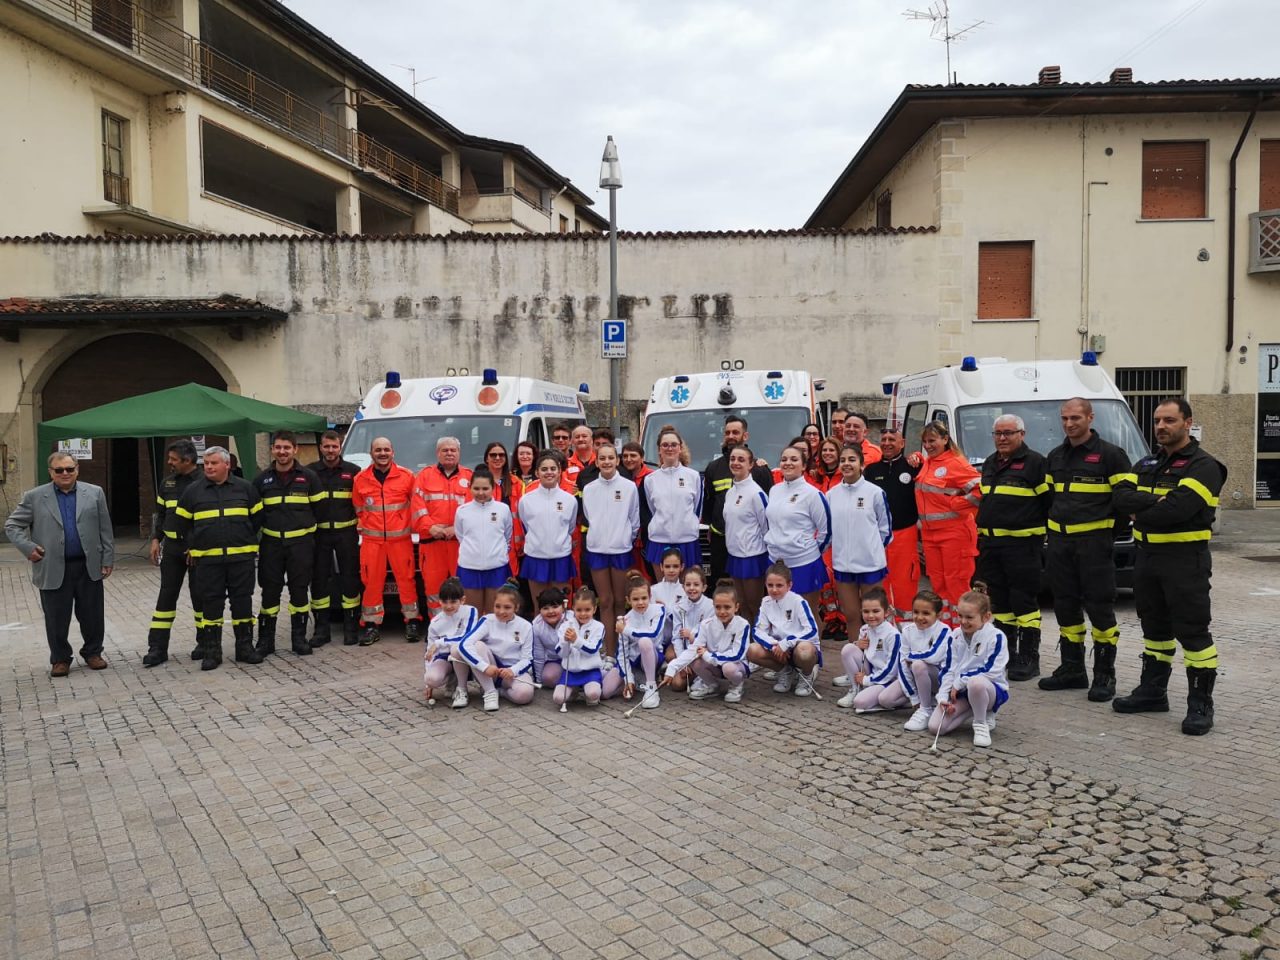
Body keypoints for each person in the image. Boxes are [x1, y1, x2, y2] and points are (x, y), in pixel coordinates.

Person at [1112, 398, 1227, 735]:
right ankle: (1153, 692)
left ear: (1187, 423)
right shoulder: (1147, 462)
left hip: (1184, 561)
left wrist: (1141, 509)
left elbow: (1177, 510)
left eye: (1169, 420)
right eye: (1157, 421)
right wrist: (1154, 502)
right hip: (1147, 558)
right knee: (1155, 628)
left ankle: (1200, 705)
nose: (1161, 427)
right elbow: (1119, 498)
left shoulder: (1204, 465)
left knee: (1193, 631)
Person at [1040, 398, 1133, 700]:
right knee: (1065, 606)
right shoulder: (1055, 456)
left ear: (1090, 418)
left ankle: (1105, 675)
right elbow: (1049, 500)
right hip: (1060, 546)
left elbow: (1124, 502)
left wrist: (1104, 534)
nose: (1069, 424)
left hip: (1094, 547)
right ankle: (1073, 669)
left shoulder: (1111, 455)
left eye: (1076, 418)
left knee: (1099, 608)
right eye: (1065, 418)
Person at [6, 452, 114, 678]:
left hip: (88, 565)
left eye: (69, 469)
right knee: (56, 617)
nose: (65, 473)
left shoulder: (94, 493)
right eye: (59, 470)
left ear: (77, 469)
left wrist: (107, 559)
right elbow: (12, 526)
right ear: (51, 472)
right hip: (52, 567)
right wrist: (28, 548)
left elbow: (105, 528)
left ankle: (93, 652)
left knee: (92, 614)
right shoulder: (34, 497)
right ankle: (60, 658)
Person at [169, 446, 261, 670]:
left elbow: (258, 519)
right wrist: (195, 545)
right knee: (211, 606)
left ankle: (245, 648)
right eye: (206, 463)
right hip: (208, 562)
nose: (208, 467)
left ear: (227, 465)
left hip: (241, 560)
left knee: (242, 603)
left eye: (213, 463)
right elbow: (182, 524)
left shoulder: (245, 488)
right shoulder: (193, 491)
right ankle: (212, 652)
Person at [974, 414, 1050, 681]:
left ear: (1022, 434)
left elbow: (1049, 503)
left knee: (1023, 601)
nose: (1002, 438)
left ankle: (1029, 658)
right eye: (998, 433)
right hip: (991, 545)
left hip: (1022, 546)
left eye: (1008, 433)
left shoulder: (1036, 463)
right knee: (1000, 602)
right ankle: (1007, 656)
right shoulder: (990, 463)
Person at [251, 431, 322, 657]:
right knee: (269, 592)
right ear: (272, 449)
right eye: (278, 447)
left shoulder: (309, 478)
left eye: (287, 447)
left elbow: (319, 511)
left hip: (301, 545)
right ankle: (265, 641)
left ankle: (299, 639)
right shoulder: (261, 480)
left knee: (299, 591)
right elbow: (254, 515)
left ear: (295, 449)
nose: (282, 452)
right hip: (271, 545)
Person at [353, 437, 422, 646]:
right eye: (378, 450)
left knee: (406, 581)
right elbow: (359, 508)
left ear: (393, 452)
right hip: (372, 542)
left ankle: (412, 621)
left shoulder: (407, 476)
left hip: (400, 541)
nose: (382, 453)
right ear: (371, 453)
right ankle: (371, 624)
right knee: (371, 582)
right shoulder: (360, 479)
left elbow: (416, 505)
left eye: (386, 450)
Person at [915, 421, 980, 628]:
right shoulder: (929, 462)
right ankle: (947, 628)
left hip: (955, 534)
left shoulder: (956, 463)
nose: (928, 445)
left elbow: (981, 490)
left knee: (956, 584)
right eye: (925, 441)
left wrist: (957, 504)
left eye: (932, 440)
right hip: (931, 535)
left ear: (945, 439)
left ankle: (965, 630)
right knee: (938, 584)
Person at [928, 585, 1009, 748]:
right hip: (962, 691)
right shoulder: (955, 636)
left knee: (976, 683)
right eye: (960, 616)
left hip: (990, 689)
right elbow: (948, 668)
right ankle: (976, 707)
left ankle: (981, 722)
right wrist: (943, 697)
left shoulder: (997, 637)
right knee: (936, 727)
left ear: (986, 617)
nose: (963, 621)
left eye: (969, 617)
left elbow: (992, 670)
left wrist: (959, 682)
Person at [144, 439, 201, 666]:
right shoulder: (167, 483)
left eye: (173, 459)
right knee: (166, 596)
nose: (169, 463)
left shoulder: (204, 482)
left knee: (200, 597)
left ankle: (205, 643)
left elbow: (205, 520)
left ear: (188, 460)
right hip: (172, 549)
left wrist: (196, 545)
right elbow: (161, 513)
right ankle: (157, 648)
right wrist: (156, 538)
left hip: (196, 550)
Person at [581, 443, 640, 658]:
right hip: (596, 550)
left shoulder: (628, 487)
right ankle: (610, 653)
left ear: (617, 460)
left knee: (619, 601)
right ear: (596, 462)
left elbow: (634, 519)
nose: (606, 462)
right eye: (602, 458)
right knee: (605, 601)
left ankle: (622, 650)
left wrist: (624, 538)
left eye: (610, 458)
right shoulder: (589, 489)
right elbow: (589, 516)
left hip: (620, 550)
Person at [828, 443, 892, 639]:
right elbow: (828, 530)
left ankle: (879, 654)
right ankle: (858, 655)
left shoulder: (875, 492)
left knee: (874, 616)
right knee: (852, 615)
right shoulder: (831, 495)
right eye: (843, 460)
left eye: (852, 460)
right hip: (843, 566)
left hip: (870, 565)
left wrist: (872, 549)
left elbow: (885, 529)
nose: (847, 464)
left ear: (862, 465)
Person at [763, 444, 831, 617]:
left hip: (804, 563)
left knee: (806, 615)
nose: (788, 463)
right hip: (776, 562)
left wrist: (808, 550)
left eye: (794, 459)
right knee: (780, 615)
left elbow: (826, 531)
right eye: (784, 459)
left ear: (804, 465)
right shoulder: (774, 490)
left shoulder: (812, 494)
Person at [309, 430, 362, 647]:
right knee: (319, 580)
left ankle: (351, 628)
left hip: (346, 534)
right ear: (321, 447)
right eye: (326, 446)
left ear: (340, 447)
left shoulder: (353, 471)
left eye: (334, 446)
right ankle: (321, 630)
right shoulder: (310, 472)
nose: (330, 450)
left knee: (350, 579)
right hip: (320, 534)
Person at [864, 426, 922, 621]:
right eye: (884, 439)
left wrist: (919, 458)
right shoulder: (871, 470)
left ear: (902, 443)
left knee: (905, 580)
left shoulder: (912, 467)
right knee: (880, 580)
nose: (887, 443)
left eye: (892, 439)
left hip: (905, 532)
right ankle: (883, 623)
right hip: (877, 535)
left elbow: (929, 466)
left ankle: (906, 623)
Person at [665, 580, 753, 703]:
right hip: (715, 664)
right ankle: (712, 685)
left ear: (736, 607)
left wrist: (709, 656)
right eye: (718, 607)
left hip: (735, 666)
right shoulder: (706, 624)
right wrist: (672, 668)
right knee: (695, 661)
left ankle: (736, 686)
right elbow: (693, 649)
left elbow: (737, 654)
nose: (722, 611)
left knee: (728, 668)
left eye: (727, 607)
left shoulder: (743, 625)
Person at [413, 436, 472, 616]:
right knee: (433, 589)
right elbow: (417, 506)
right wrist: (430, 527)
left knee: (462, 587)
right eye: (445, 450)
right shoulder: (424, 476)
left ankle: (461, 624)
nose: (449, 453)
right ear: (437, 453)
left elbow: (474, 509)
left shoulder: (469, 477)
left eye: (453, 450)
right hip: (432, 544)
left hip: (459, 545)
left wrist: (457, 529)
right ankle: (437, 624)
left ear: (459, 453)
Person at [456, 582, 535, 711]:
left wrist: (513, 670)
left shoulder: (526, 626)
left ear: (516, 607)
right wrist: (484, 667)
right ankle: (489, 691)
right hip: (490, 670)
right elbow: (464, 644)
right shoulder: (487, 620)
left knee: (524, 695)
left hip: (511, 672)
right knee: (478, 646)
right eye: (497, 606)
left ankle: (499, 692)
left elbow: (527, 659)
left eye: (507, 607)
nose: (501, 611)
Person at [747, 561, 821, 696]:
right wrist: (774, 645)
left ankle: (807, 674)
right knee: (752, 650)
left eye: (779, 585)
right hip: (779, 649)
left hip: (799, 647)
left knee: (804, 651)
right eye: (770, 585)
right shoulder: (766, 602)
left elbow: (812, 630)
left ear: (789, 585)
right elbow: (758, 631)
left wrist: (787, 642)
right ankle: (785, 671)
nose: (774, 590)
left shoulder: (798, 601)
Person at [642, 426, 703, 578]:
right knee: (663, 588)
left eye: (674, 444)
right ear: (659, 449)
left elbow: (696, 509)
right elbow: (652, 509)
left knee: (686, 588)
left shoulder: (693, 476)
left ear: (680, 448)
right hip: (659, 540)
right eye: (665, 445)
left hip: (686, 540)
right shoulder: (650, 480)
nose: (669, 448)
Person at [517, 451, 578, 601]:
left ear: (559, 472)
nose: (549, 472)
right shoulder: (526, 500)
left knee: (561, 605)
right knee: (539, 605)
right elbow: (526, 525)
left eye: (553, 469)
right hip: (536, 557)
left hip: (561, 557)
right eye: (544, 469)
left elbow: (570, 527)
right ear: (537, 473)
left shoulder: (570, 500)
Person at [899, 590, 963, 732]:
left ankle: (925, 709)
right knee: (886, 699)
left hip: (938, 680)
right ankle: (922, 699)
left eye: (926, 613)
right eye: (916, 612)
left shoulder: (945, 631)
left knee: (918, 665)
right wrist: (913, 697)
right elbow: (902, 664)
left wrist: (910, 656)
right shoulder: (907, 631)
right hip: (916, 677)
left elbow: (933, 656)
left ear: (938, 615)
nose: (919, 617)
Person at [453, 467, 513, 615]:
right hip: (470, 568)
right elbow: (461, 536)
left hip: (496, 568)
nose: (481, 493)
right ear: (470, 487)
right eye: (476, 488)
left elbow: (507, 535)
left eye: (485, 488)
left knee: (495, 614)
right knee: (473, 614)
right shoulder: (462, 511)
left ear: (493, 488)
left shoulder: (503, 509)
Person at [721, 443, 770, 622]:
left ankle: (758, 637)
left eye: (741, 460)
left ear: (751, 464)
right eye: (733, 459)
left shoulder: (756, 494)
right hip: (735, 556)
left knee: (754, 606)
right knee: (740, 605)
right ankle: (745, 637)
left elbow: (767, 527)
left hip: (753, 557)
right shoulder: (730, 492)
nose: (736, 463)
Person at [836, 588, 904, 711]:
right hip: (872, 673)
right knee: (848, 649)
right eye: (866, 611)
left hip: (889, 680)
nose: (871, 615)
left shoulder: (893, 635)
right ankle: (855, 689)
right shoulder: (864, 629)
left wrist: (867, 680)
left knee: (860, 703)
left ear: (886, 612)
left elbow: (892, 670)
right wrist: (858, 645)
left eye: (876, 611)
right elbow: (864, 657)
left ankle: (900, 699)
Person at [609, 574, 668, 708]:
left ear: (650, 596)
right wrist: (628, 679)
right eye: (635, 599)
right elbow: (622, 653)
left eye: (644, 598)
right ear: (628, 600)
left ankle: (651, 688)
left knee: (644, 641)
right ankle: (634, 682)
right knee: (606, 692)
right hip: (634, 664)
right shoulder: (625, 619)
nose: (640, 602)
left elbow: (653, 634)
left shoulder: (659, 610)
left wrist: (626, 630)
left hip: (654, 658)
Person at [423, 577, 477, 707]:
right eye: (444, 601)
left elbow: (467, 637)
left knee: (457, 649)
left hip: (466, 655)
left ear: (462, 600)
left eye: (453, 602)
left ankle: (465, 687)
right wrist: (428, 685)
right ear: (439, 601)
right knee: (431, 678)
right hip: (445, 658)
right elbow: (430, 652)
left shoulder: (470, 611)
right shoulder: (435, 622)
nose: (448, 606)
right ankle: (452, 678)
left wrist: (440, 642)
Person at [553, 587, 607, 709]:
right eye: (579, 610)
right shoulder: (565, 626)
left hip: (590, 671)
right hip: (570, 671)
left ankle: (592, 689)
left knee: (592, 694)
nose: (583, 614)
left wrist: (576, 640)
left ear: (594, 609)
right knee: (558, 699)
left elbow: (592, 650)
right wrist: (565, 642)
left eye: (587, 610)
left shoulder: (599, 627)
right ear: (573, 609)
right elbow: (560, 653)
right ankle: (574, 690)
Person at [531, 588, 568, 689]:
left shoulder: (572, 619)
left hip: (574, 659)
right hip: (554, 660)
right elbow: (538, 654)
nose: (551, 611)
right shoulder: (537, 625)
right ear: (540, 610)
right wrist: (538, 680)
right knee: (548, 678)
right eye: (545, 608)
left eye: (555, 607)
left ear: (563, 607)